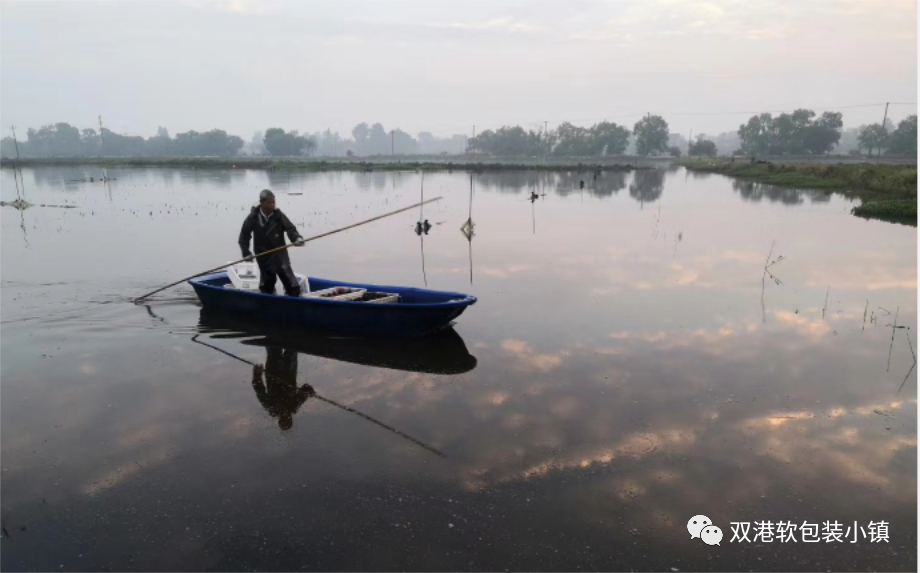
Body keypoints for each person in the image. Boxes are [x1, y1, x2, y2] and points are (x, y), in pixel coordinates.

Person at [238, 189, 305, 296]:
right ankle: (269, 302)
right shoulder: (253, 218)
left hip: (279, 253)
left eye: (274, 202)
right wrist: (246, 252)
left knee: (292, 284)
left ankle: (294, 299)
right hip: (263, 254)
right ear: (262, 203)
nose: (273, 205)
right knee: (267, 285)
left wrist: (296, 238)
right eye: (270, 203)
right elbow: (244, 237)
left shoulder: (278, 215)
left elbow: (290, 229)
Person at [251, 346, 315, 431]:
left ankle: (273, 335)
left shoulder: (271, 407)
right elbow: (305, 388)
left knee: (273, 347)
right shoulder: (293, 405)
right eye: (288, 418)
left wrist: (257, 375)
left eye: (284, 418)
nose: (286, 416)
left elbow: (259, 390)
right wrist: (310, 391)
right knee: (292, 347)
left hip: (273, 370)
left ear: (280, 419)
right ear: (291, 418)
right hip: (289, 369)